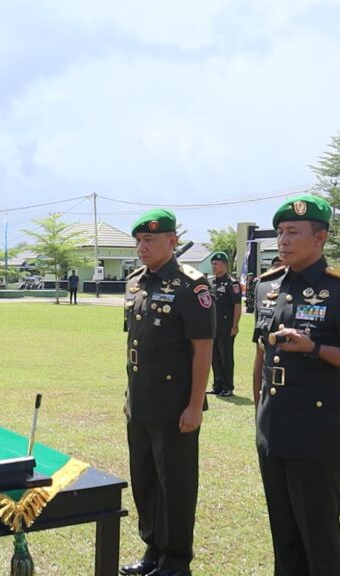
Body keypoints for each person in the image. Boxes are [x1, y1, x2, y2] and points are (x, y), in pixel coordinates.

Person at [252, 195, 340, 576]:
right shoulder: (266, 286)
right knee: (285, 535)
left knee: (318, 537)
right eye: (280, 232)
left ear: (320, 238)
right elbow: (262, 355)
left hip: (317, 434)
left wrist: (315, 348)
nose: (283, 240)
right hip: (273, 430)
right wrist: (258, 415)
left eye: (294, 232)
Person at [120, 209, 214, 576]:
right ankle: (153, 550)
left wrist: (195, 406)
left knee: (174, 484)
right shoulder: (135, 282)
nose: (142, 248)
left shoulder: (192, 285)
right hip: (140, 401)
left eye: (150, 241)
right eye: (139, 241)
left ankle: (176, 559)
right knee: (144, 481)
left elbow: (202, 349)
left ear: (172, 242)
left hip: (175, 405)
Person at [209, 251, 240, 397]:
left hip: (227, 326)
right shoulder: (211, 282)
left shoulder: (232, 283)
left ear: (225, 265)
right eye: (212, 264)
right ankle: (218, 385)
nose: (213, 266)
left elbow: (237, 306)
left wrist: (235, 325)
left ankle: (228, 386)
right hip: (213, 326)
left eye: (216, 264)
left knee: (226, 356)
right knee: (214, 356)